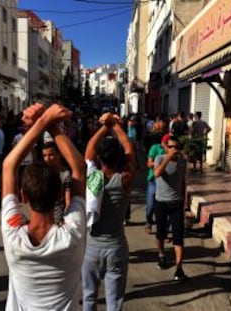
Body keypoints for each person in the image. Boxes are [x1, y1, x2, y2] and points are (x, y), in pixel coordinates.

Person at [1, 103, 86, 311]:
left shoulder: (13, 235)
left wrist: (42, 122)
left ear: (24, 197)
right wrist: (49, 124)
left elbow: (9, 166)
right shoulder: (71, 236)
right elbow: (79, 168)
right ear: (59, 194)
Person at [82, 113, 136, 311]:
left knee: (89, 298)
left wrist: (104, 126)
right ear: (118, 158)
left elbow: (88, 150)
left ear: (99, 158)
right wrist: (116, 125)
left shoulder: (92, 178)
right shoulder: (124, 180)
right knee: (115, 302)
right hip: (116, 247)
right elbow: (130, 149)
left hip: (92, 248)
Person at [154, 136, 188, 281]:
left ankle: (179, 268)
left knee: (178, 236)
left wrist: (185, 201)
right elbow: (157, 174)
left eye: (176, 147)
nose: (174, 150)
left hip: (176, 203)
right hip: (161, 201)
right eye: (171, 147)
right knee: (161, 233)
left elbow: (183, 181)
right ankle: (161, 254)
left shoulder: (182, 161)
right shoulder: (160, 158)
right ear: (166, 147)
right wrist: (168, 158)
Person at [42, 141, 72, 224]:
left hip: (58, 220)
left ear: (59, 154)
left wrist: (65, 219)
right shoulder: (41, 173)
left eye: (51, 155)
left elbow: (68, 201)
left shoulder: (66, 175)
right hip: (43, 220)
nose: (47, 159)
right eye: (44, 156)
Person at [145, 132, 166, 234]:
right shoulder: (155, 148)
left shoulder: (171, 152)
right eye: (167, 144)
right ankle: (149, 221)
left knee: (164, 207)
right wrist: (159, 162)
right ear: (162, 143)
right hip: (153, 180)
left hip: (165, 182)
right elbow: (149, 164)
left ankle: (163, 229)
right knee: (150, 206)